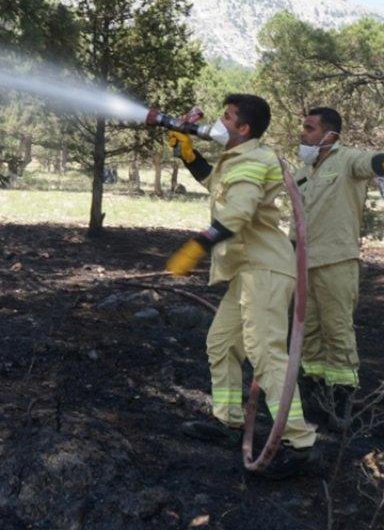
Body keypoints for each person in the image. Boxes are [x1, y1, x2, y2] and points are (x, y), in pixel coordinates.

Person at [165, 93, 317, 479]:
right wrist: (188, 154)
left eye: (228, 117)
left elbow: (238, 212)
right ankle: (228, 421)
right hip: (247, 271)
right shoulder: (238, 159)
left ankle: (299, 443)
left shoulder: (255, 160)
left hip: (265, 270)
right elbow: (216, 185)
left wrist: (197, 245)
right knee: (221, 343)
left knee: (265, 353)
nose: (219, 120)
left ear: (243, 128)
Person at [295, 107, 384, 431]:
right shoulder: (304, 170)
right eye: (303, 128)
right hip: (304, 263)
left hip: (336, 262)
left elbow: (371, 161)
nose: (303, 134)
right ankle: (316, 398)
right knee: (310, 334)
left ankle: (343, 400)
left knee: (337, 330)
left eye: (309, 128)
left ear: (329, 135)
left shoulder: (347, 160)